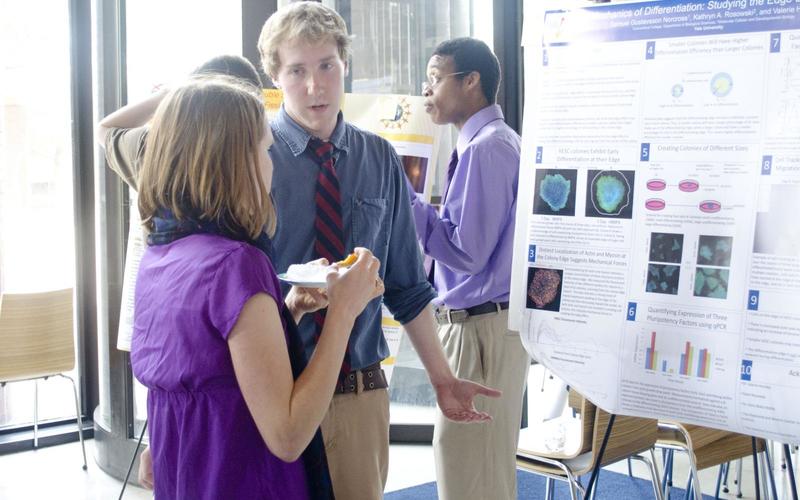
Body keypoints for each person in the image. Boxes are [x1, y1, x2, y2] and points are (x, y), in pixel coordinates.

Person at [257, 3, 501, 499]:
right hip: (275, 391)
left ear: (345, 65)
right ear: (276, 76)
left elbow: (408, 288)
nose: (314, 85)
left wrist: (442, 380)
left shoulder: (379, 157)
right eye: (297, 71)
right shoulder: (252, 159)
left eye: (327, 65)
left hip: (358, 395)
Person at [126, 75, 384, 499]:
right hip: (244, 479)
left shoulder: (159, 257)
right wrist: (343, 311)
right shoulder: (237, 264)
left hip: (190, 475)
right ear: (232, 160)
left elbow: (208, 368)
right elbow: (287, 436)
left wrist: (288, 311)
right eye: (265, 149)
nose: (272, 163)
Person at [96, 55, 267, 490]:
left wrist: (170, 96)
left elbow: (105, 128)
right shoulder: (237, 256)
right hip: (240, 388)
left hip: (187, 380)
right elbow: (284, 434)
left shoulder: (154, 154)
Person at [410, 37, 530, 500]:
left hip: (480, 328)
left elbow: (466, 252)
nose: (427, 91)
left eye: (436, 78)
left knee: (467, 469)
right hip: (485, 325)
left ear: (472, 81)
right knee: (480, 467)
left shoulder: (486, 148)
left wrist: (408, 201)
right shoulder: (491, 142)